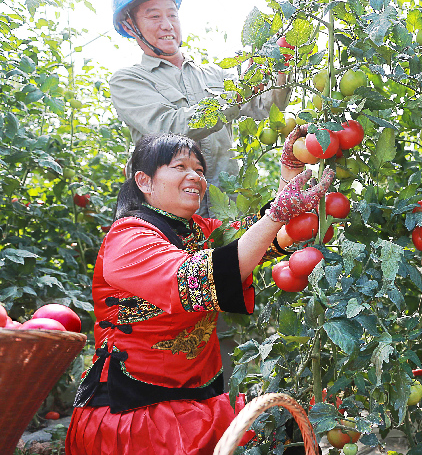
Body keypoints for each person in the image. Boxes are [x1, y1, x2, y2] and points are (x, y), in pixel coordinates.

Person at [65, 132, 332, 455]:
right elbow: (197, 280)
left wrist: (289, 173)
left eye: (200, 170)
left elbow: (260, 239)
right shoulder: (128, 239)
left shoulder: (200, 230)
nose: (195, 176)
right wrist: (277, 213)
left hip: (195, 404)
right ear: (144, 181)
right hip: (138, 417)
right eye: (180, 166)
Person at [109, 0, 291, 217]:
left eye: (172, 14)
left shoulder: (215, 74)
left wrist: (282, 64)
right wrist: (238, 94)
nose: (167, 24)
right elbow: (170, 128)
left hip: (227, 210)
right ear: (129, 27)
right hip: (171, 220)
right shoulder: (129, 81)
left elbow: (265, 107)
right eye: (154, 16)